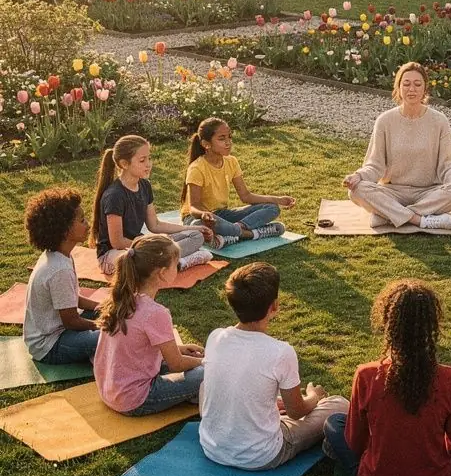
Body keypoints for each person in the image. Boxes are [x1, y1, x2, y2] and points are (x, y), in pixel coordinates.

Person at [323, 279, 451, 476]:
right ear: (432, 326)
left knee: (334, 422)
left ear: (388, 323)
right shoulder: (449, 379)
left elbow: (355, 444)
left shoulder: (366, 375)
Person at [199, 262, 348, 469]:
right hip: (261, 455)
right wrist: (315, 396)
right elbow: (296, 412)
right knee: (340, 404)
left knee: (206, 384)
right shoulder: (280, 352)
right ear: (274, 306)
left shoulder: (216, 336)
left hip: (212, 446)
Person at [342, 62, 451, 232]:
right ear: (398, 88)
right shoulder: (384, 121)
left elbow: (447, 166)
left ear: (425, 89)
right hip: (393, 192)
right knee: (356, 190)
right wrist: (358, 176)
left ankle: (388, 215)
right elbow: (375, 166)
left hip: (428, 193)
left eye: (417, 84)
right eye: (406, 84)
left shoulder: (439, 121)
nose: (411, 89)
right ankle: (420, 220)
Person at [93, 234, 205, 416]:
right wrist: (205, 362)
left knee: (196, 369)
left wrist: (179, 348)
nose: (178, 269)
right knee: (207, 373)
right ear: (162, 272)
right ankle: (195, 392)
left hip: (109, 390)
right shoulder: (155, 313)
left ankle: (192, 392)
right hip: (134, 400)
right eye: (175, 265)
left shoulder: (122, 299)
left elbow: (137, 347)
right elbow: (176, 364)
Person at [91, 134, 213, 277]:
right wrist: (150, 245)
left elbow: (154, 224)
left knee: (195, 236)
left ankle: (171, 261)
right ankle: (178, 262)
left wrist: (193, 227)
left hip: (141, 245)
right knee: (137, 259)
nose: (149, 164)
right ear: (124, 164)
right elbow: (117, 242)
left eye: (149, 158)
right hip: (116, 254)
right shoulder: (114, 195)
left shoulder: (144, 185)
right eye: (142, 160)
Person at [181, 117, 295, 246]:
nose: (228, 142)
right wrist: (204, 215)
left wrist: (278, 200)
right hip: (199, 218)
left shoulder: (231, 161)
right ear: (206, 144)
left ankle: (232, 233)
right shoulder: (196, 168)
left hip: (221, 214)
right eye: (222, 138)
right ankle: (253, 234)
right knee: (199, 226)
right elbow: (193, 207)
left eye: (229, 137)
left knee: (272, 208)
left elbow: (246, 196)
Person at [22, 187, 100, 365]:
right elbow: (71, 321)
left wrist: (104, 307)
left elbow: (74, 299)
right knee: (114, 334)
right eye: (82, 220)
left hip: (64, 331)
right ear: (65, 231)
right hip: (50, 346)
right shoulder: (59, 270)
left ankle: (96, 352)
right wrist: (101, 325)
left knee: (115, 314)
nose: (87, 224)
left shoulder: (61, 255)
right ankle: (98, 354)